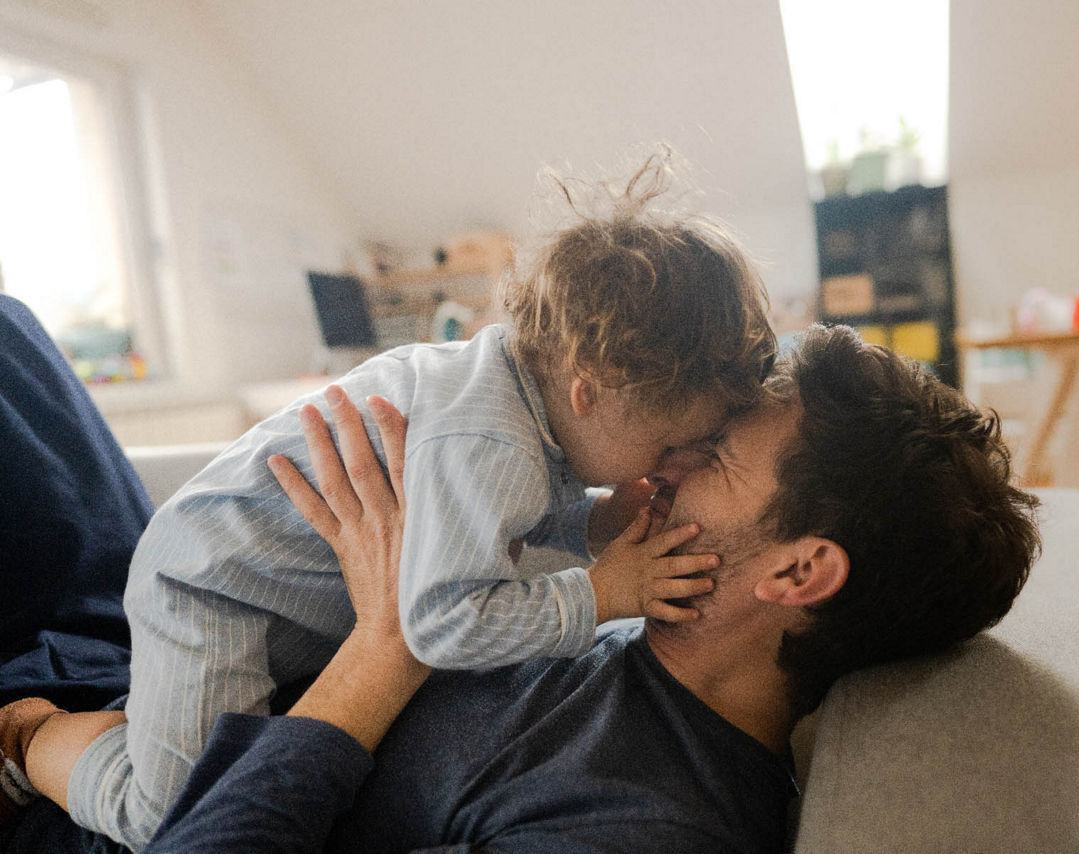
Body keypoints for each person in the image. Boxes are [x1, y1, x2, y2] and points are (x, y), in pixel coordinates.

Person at [0, 153, 777, 850]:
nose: (675, 466)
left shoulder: (512, 391)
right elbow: (442, 621)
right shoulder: (494, 445)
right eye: (678, 440)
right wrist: (600, 593)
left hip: (270, 594)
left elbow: (486, 524)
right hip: (215, 593)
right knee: (164, 813)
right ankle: (33, 738)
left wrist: (588, 523)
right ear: (591, 390)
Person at [129, 324, 1040, 852]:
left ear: (799, 571)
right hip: (175, 667)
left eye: (714, 456)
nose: (666, 465)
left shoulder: (639, 824)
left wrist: (391, 641)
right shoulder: (621, 619)